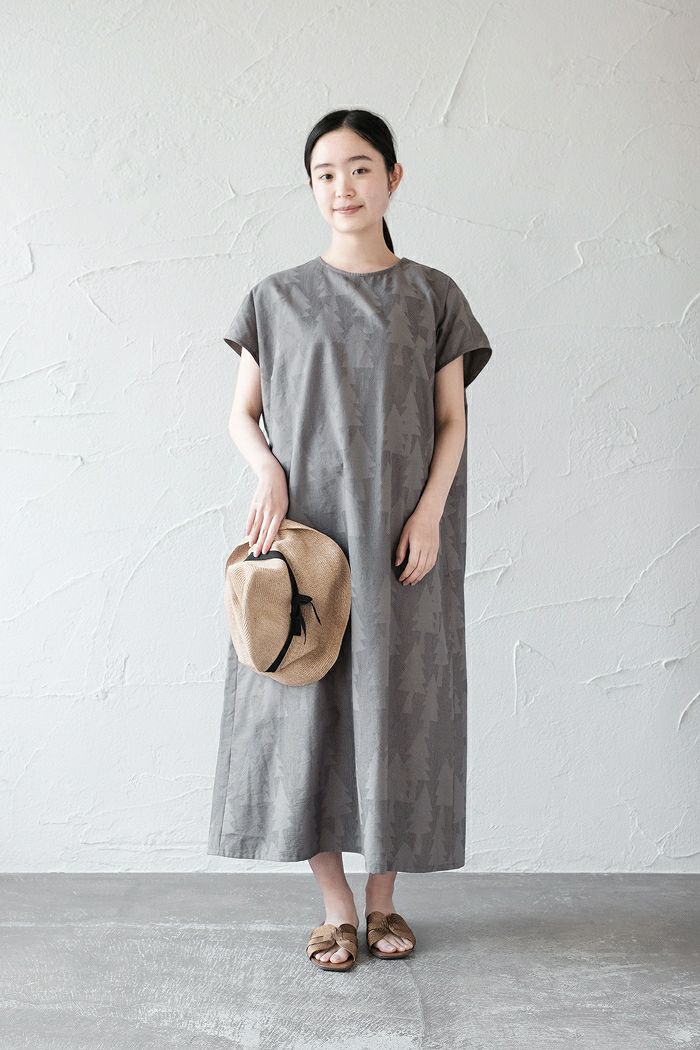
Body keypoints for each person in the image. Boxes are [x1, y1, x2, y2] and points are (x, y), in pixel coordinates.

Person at [208, 108, 493, 971]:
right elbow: (242, 413)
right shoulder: (275, 298)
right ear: (312, 187)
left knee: (400, 703)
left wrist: (430, 511)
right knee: (309, 705)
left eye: (361, 168)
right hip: (307, 541)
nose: (344, 187)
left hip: (404, 541)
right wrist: (268, 470)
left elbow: (452, 419)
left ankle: (383, 901)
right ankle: (335, 907)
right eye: (326, 173)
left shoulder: (433, 295)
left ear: (393, 178)